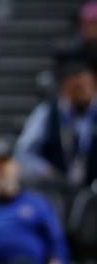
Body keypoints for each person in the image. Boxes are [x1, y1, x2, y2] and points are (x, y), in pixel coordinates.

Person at [14, 60, 97, 189]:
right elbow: (23, 152)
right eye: (79, 87)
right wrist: (45, 169)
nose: (85, 92)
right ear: (66, 86)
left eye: (89, 86)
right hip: (55, 189)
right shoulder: (47, 112)